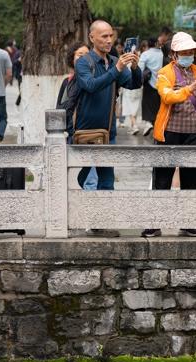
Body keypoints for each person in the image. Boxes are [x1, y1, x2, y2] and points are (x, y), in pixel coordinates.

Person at [142, 32, 196, 238]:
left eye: (191, 52)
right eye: (184, 52)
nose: (189, 55)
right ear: (174, 55)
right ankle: (154, 223)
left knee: (192, 178)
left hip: (195, 131)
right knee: (162, 178)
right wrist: (189, 88)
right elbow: (167, 96)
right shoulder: (164, 73)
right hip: (169, 132)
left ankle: (189, 223)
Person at [74, 19, 142, 238]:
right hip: (84, 132)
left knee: (106, 180)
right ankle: (72, 215)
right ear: (92, 38)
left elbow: (134, 84)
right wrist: (118, 68)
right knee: (77, 177)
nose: (109, 40)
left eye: (111, 36)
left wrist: (134, 66)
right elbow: (91, 86)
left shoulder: (113, 60)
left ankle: (100, 222)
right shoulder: (84, 62)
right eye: (104, 36)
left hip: (108, 132)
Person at [56, 42, 90, 139]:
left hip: (89, 133)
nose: (84, 58)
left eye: (87, 55)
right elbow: (60, 108)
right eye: (80, 55)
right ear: (72, 58)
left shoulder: (94, 81)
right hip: (70, 134)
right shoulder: (67, 82)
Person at [139, 37, 162, 136]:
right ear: (156, 43)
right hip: (161, 83)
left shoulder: (145, 54)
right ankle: (157, 128)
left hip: (149, 83)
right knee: (158, 106)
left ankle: (148, 123)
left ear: (148, 44)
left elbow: (140, 69)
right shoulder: (161, 54)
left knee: (147, 105)